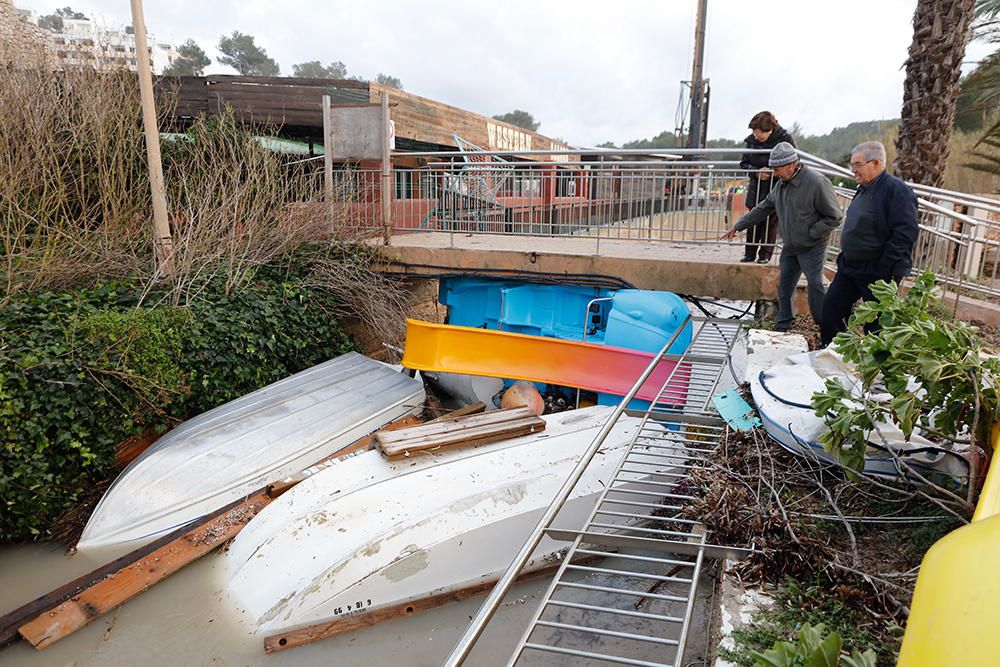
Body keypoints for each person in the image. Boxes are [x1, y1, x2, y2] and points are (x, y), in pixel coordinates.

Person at [721, 142, 843, 331]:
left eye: (777, 169)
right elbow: (762, 208)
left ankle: (824, 325)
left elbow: (834, 216)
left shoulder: (816, 182)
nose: (775, 173)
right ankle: (783, 324)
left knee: (816, 285)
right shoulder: (781, 186)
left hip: (813, 246)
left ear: (791, 165)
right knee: (784, 287)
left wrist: (812, 233)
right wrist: (738, 226)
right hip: (791, 246)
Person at [819, 141, 919, 346]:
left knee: (875, 324)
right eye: (852, 165)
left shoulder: (896, 190)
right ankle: (832, 352)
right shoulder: (864, 188)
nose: (852, 170)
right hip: (851, 267)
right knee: (831, 308)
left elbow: (906, 231)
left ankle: (874, 366)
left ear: (875, 163)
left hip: (878, 270)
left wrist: (884, 266)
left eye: (857, 164)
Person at [739, 111, 796, 264]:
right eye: (754, 133)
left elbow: (793, 162)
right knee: (752, 220)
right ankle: (749, 252)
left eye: (759, 134)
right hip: (756, 187)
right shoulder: (751, 141)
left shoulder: (785, 139)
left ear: (769, 130)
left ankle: (765, 254)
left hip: (776, 185)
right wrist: (756, 172)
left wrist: (775, 172)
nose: (756, 137)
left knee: (770, 222)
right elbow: (744, 163)